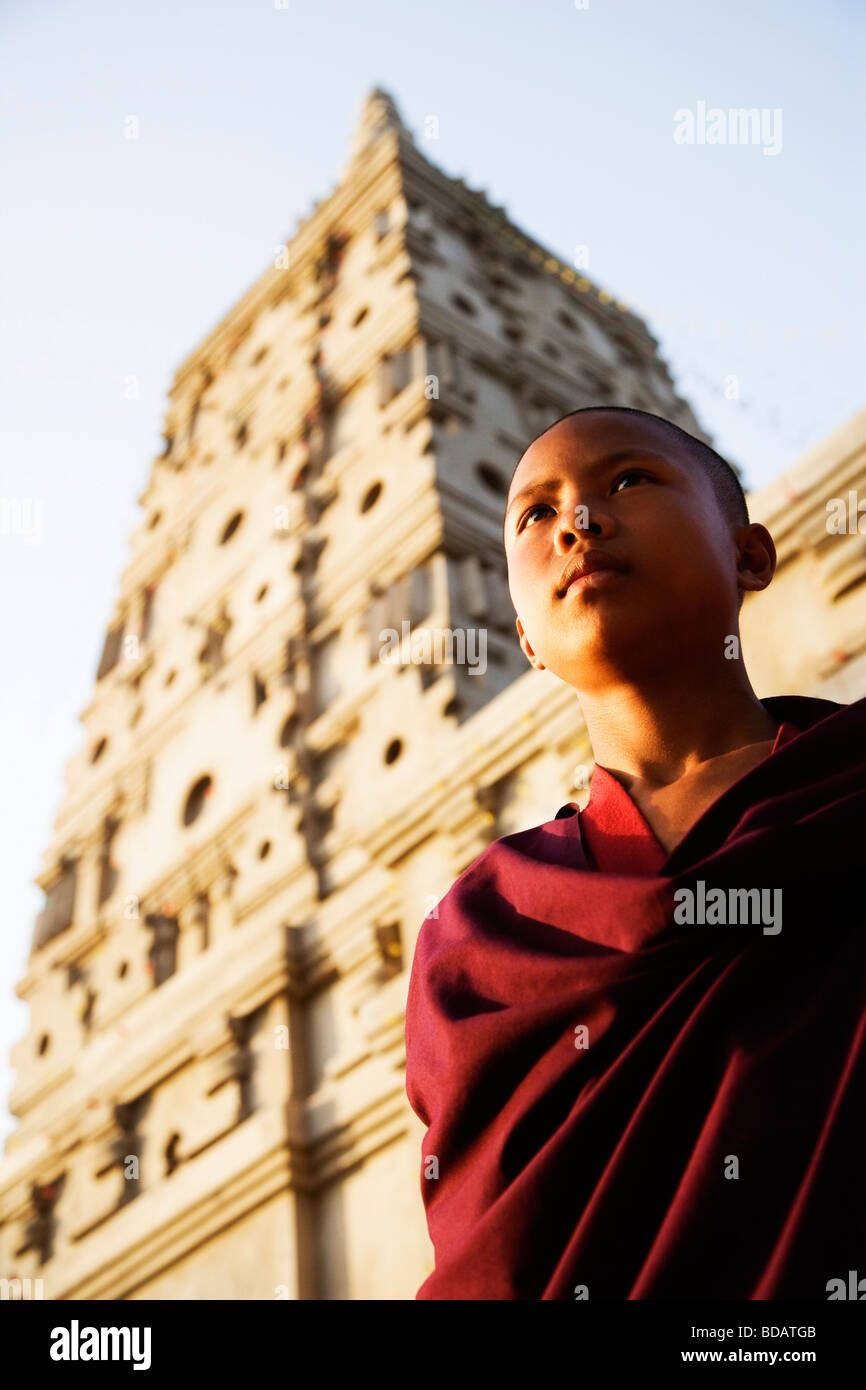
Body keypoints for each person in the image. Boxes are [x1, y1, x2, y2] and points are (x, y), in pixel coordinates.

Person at [404, 406, 866, 1300]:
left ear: (750, 555)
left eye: (628, 482)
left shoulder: (847, 793)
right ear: (526, 640)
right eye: (536, 515)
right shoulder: (480, 926)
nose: (579, 521)